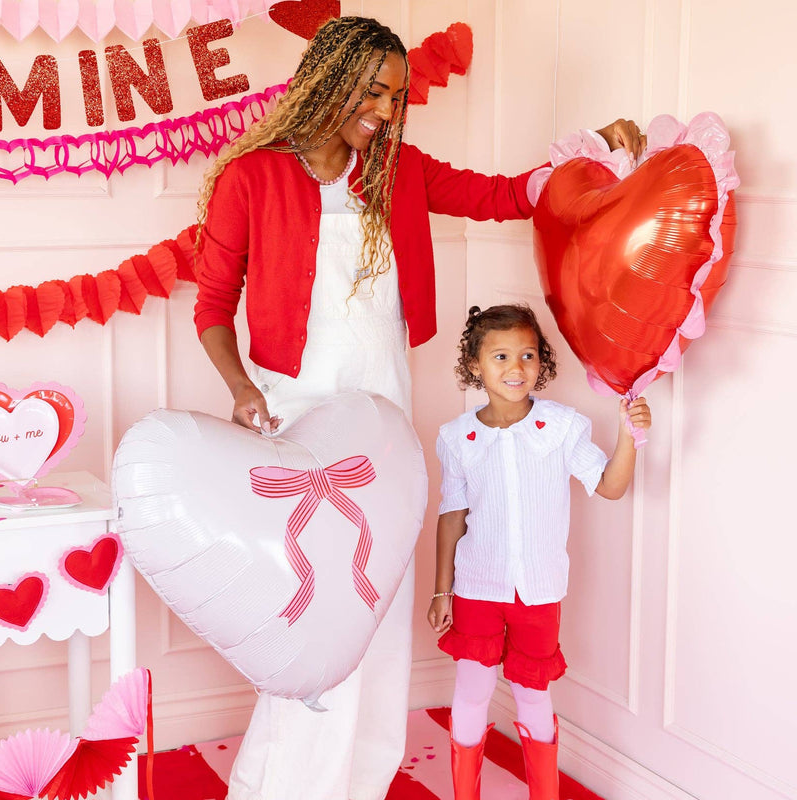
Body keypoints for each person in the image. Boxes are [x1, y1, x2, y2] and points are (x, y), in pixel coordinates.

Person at [193, 15, 646, 800]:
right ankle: (286, 782)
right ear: (327, 81)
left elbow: (504, 196)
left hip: (384, 418)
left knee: (377, 596)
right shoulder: (252, 177)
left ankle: (359, 778)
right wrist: (240, 388)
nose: (386, 111)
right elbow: (210, 307)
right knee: (315, 609)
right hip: (297, 417)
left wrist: (594, 151)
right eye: (372, 91)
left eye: (397, 97)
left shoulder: (398, 172)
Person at [427, 304, 652, 800]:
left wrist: (629, 435)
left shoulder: (563, 426)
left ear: (541, 361)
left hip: (539, 590)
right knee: (472, 691)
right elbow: (452, 516)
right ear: (475, 364)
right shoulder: (456, 438)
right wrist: (442, 591)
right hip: (476, 587)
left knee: (533, 694)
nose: (516, 367)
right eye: (501, 356)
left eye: (527, 355)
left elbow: (610, 486)